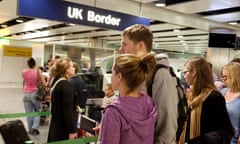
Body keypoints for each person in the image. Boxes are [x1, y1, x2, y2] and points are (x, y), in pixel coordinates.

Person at [119, 24, 178, 144]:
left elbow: (167, 119)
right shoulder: (134, 73)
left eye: (125, 44)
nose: (121, 49)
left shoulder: (160, 73)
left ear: (140, 45)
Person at [99, 53, 157, 144]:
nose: (111, 77)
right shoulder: (149, 103)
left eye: (112, 72)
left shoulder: (114, 112)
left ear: (119, 77)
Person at [179, 56, 234, 143]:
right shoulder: (190, 95)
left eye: (185, 72)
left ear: (193, 72)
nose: (184, 76)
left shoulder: (213, 97)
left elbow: (225, 131)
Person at [47, 57, 78, 142]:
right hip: (63, 128)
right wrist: (72, 131)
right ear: (66, 69)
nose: (74, 68)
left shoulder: (57, 82)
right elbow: (68, 111)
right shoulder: (66, 85)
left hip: (55, 126)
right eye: (71, 66)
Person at [22, 57, 47, 135]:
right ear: (35, 64)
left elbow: (25, 81)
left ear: (27, 64)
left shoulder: (23, 72)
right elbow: (44, 83)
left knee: (29, 113)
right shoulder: (38, 71)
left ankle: (30, 130)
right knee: (38, 110)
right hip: (35, 93)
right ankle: (35, 127)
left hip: (25, 94)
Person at [220, 62, 240, 144]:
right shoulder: (223, 92)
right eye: (222, 76)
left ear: (235, 77)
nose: (222, 79)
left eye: (225, 77)